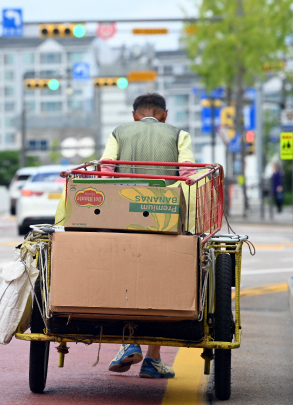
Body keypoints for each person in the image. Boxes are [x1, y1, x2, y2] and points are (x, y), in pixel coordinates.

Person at [102, 92, 196, 379]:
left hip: (123, 220)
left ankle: (130, 342)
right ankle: (152, 360)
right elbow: (188, 175)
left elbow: (106, 171)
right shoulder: (179, 134)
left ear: (135, 115)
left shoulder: (119, 132)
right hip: (165, 219)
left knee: (126, 279)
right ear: (164, 115)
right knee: (161, 286)